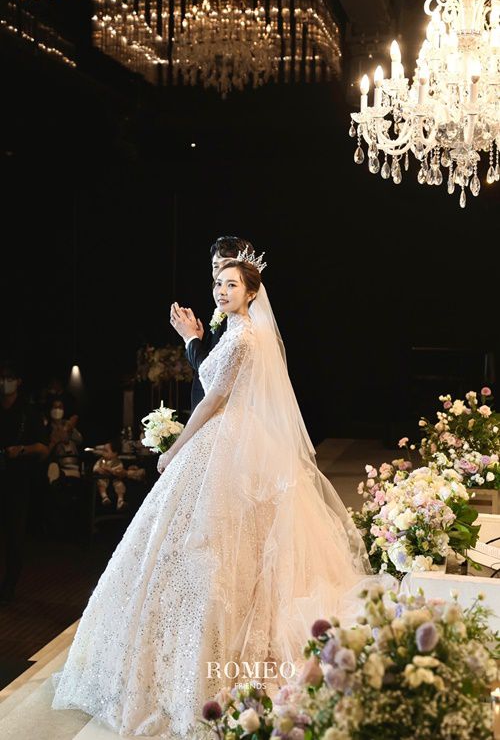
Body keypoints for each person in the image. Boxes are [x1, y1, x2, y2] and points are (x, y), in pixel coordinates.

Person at [51, 250, 372, 739]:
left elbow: (214, 398)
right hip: (233, 438)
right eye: (218, 283)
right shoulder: (242, 332)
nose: (221, 291)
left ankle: (201, 669)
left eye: (232, 284)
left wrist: (175, 448)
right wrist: (195, 341)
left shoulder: (243, 337)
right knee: (204, 546)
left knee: (211, 547)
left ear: (251, 293)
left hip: (223, 439)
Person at [170, 235, 255, 411]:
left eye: (227, 265)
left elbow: (213, 379)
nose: (220, 272)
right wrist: (198, 341)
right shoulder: (225, 312)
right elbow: (211, 367)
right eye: (216, 266)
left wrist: (190, 337)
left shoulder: (244, 322)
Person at [0, 360, 49, 605]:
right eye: (1, 378)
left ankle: (8, 587)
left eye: (8, 378)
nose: (4, 383)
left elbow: (43, 448)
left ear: (18, 382)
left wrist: (21, 450)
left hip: (17, 480)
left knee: (14, 536)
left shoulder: (28, 413)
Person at [92, 438, 128, 511]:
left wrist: (109, 470)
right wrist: (98, 470)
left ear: (115, 453)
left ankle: (120, 501)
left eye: (106, 451)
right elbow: (95, 468)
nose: (103, 452)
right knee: (101, 484)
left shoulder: (117, 462)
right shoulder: (101, 460)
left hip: (115, 480)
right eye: (103, 450)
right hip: (103, 479)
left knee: (120, 486)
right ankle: (105, 497)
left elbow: (118, 470)